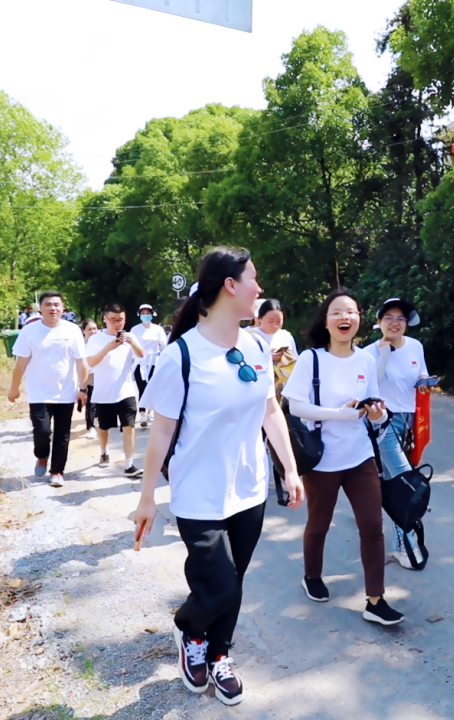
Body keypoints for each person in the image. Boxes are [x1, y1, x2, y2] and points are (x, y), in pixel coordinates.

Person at [133, 247, 305, 704]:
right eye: (253, 278)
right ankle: (189, 630)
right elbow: (161, 432)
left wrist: (289, 469)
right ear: (230, 285)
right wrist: (147, 496)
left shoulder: (256, 345)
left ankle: (218, 654)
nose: (260, 289)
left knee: (235, 579)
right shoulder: (181, 356)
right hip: (198, 494)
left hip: (249, 490)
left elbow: (271, 410)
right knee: (219, 584)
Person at [282, 289, 405, 626]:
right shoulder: (311, 359)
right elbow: (295, 405)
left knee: (372, 526)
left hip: (360, 456)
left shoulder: (366, 359)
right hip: (321, 460)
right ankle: (312, 576)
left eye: (351, 312)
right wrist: (337, 414)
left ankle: (375, 599)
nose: (344, 318)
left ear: (359, 320)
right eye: (337, 312)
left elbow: (374, 407)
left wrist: (377, 414)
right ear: (327, 320)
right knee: (318, 524)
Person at [365, 298, 428, 570]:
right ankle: (404, 545)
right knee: (404, 483)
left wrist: (426, 383)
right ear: (379, 322)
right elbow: (371, 386)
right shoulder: (368, 353)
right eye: (388, 317)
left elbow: (420, 376)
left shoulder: (416, 346)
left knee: (396, 481)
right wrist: (384, 355)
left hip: (411, 423)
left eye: (400, 318)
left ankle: (403, 538)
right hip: (383, 424)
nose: (394, 322)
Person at [7, 292, 88, 488]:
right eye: (49, 305)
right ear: (40, 308)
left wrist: (83, 388)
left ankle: (57, 471)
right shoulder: (30, 331)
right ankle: (42, 456)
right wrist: (14, 388)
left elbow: (82, 362)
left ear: (63, 308)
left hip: (65, 393)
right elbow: (21, 363)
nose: (53, 308)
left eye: (57, 305)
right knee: (41, 431)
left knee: (63, 434)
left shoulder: (73, 330)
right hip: (39, 392)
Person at [86, 303, 145, 476]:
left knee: (129, 426)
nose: (117, 324)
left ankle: (129, 464)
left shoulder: (130, 337)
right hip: (104, 392)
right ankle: (104, 451)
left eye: (121, 320)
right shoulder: (96, 339)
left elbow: (141, 354)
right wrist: (109, 347)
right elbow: (91, 362)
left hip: (126, 390)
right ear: (105, 319)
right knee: (103, 427)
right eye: (113, 320)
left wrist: (133, 343)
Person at [249, 299, 298, 398]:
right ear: (259, 319)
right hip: (257, 388)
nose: (274, 326)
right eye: (270, 321)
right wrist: (268, 357)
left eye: (279, 322)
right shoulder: (249, 336)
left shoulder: (286, 336)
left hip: (284, 390)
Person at [130, 304, 168, 428]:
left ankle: (150, 411)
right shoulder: (135, 330)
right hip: (139, 362)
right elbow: (131, 346)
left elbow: (163, 346)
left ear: (152, 314)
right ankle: (142, 415)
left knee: (152, 387)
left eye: (148, 313)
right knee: (142, 388)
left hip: (154, 362)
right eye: (143, 313)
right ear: (139, 314)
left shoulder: (158, 329)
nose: (145, 315)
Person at [80, 319, 99, 440]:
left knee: (99, 401)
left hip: (101, 374)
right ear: (83, 331)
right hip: (87, 375)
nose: (93, 332)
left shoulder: (100, 343)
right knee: (90, 401)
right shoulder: (80, 345)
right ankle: (91, 426)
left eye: (94, 329)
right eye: (89, 329)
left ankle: (97, 421)